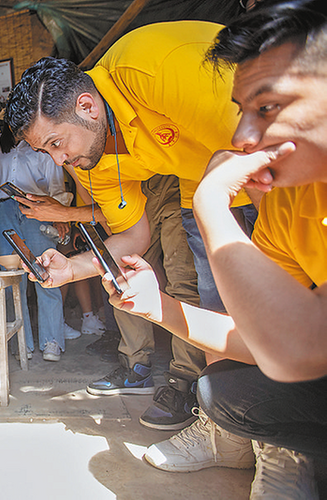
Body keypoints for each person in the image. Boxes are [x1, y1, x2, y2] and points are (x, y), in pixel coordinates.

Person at [96, 2, 326, 497]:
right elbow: (261, 339)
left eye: (266, 108)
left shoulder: (143, 68)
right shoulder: (293, 199)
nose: (241, 137)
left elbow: (301, 349)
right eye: (241, 111)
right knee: (228, 391)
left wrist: (212, 205)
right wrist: (160, 307)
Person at [6, 20, 258, 431]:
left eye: (56, 143)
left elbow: (269, 143)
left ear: (87, 106)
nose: (57, 161)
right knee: (217, 309)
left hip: (280, 165)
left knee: (288, 303)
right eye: (43, 150)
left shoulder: (154, 69)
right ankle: (228, 435)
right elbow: (135, 236)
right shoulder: (88, 157)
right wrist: (74, 268)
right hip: (207, 183)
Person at [0, 118, 75, 362]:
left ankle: (51, 341)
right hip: (4, 211)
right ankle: (21, 343)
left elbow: (55, 181)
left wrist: (60, 214)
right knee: (13, 279)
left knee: (45, 271)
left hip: (38, 209)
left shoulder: (39, 142)